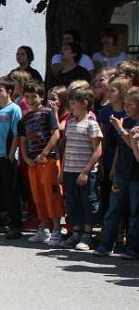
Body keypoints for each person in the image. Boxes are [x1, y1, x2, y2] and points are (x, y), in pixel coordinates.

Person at [18, 82, 63, 246]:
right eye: (27, 97)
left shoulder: (47, 113)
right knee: (38, 196)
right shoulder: (24, 119)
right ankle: (44, 228)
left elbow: (56, 135)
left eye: (34, 96)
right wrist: (26, 158)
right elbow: (23, 141)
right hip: (33, 162)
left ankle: (56, 229)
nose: (30, 100)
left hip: (48, 160)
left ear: (42, 97)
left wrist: (44, 153)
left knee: (52, 195)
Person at [97, 86, 139, 259]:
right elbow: (120, 148)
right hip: (121, 173)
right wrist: (114, 166)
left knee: (135, 213)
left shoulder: (132, 125)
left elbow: (133, 146)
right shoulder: (124, 121)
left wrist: (120, 129)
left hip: (136, 175)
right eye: (125, 104)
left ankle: (132, 248)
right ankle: (106, 244)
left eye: (130, 104)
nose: (126, 107)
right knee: (113, 210)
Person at [59, 86, 103, 251]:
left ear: (84, 103)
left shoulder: (92, 124)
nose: (70, 107)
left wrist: (85, 172)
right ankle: (76, 233)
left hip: (85, 173)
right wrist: (62, 170)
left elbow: (98, 151)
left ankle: (87, 234)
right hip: (70, 170)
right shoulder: (70, 123)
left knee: (87, 202)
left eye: (73, 103)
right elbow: (67, 148)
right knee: (73, 202)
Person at [0, 79, 22, 239]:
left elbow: (16, 133)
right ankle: (0, 221)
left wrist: (11, 153)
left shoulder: (14, 109)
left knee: (10, 190)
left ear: (9, 91)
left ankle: (15, 225)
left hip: (7, 155)